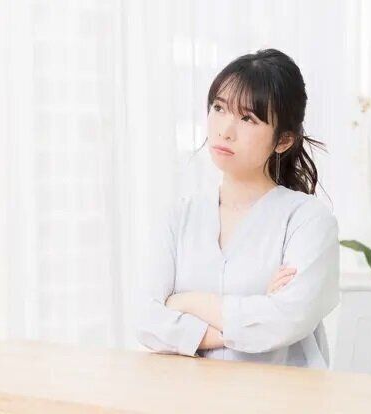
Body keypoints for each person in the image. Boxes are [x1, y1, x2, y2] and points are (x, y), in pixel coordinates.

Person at [134, 48, 340, 368]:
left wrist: (184, 303)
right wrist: (249, 315)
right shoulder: (180, 216)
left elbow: (284, 320)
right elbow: (146, 320)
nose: (225, 130)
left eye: (248, 118)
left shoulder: (309, 221)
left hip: (279, 393)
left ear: (284, 140)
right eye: (219, 108)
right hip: (190, 391)